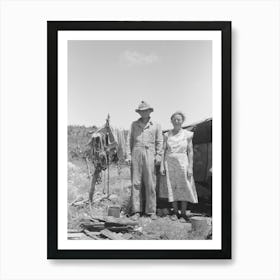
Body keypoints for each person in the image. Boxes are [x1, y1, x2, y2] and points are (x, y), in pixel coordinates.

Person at [126, 101, 163, 220]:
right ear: (139, 112)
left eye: (146, 110)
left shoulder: (156, 125)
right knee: (136, 183)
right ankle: (136, 210)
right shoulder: (134, 124)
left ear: (149, 111)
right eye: (141, 111)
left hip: (150, 152)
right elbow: (129, 141)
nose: (144, 112)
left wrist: (158, 155)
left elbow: (160, 141)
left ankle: (151, 211)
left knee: (150, 182)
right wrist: (128, 155)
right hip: (136, 152)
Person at [160, 111, 198, 222]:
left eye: (179, 119)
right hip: (170, 163)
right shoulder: (167, 135)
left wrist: (190, 166)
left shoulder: (187, 134)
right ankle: (175, 212)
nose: (177, 121)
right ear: (171, 121)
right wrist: (162, 165)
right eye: (174, 119)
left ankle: (183, 213)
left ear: (182, 121)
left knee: (184, 186)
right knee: (172, 186)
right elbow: (163, 151)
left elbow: (190, 151)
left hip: (183, 163)